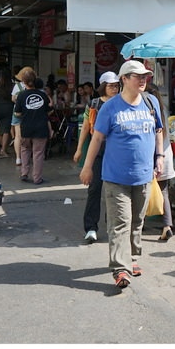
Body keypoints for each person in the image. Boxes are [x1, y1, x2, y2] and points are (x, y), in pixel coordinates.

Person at [80, 60, 163, 289]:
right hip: (115, 176)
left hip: (144, 175)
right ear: (124, 79)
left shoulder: (150, 101)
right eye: (138, 76)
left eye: (145, 76)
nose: (143, 79)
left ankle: (133, 257)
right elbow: (96, 138)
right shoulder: (110, 107)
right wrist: (87, 167)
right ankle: (120, 268)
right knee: (120, 222)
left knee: (137, 220)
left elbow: (158, 130)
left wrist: (160, 157)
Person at [74, 71, 121, 243]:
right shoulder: (93, 105)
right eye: (110, 86)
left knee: (116, 190)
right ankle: (91, 228)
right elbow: (86, 128)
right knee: (94, 189)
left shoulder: (122, 103)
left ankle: (114, 226)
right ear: (103, 87)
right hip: (98, 153)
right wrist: (79, 150)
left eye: (116, 85)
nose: (114, 89)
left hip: (117, 153)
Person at [146, 82, 175, 241]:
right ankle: (167, 226)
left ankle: (140, 223)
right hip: (165, 156)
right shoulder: (164, 110)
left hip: (152, 157)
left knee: (141, 191)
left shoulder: (147, 111)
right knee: (163, 192)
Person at [13, 68, 51, 185]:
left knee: (25, 150)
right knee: (38, 153)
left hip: (26, 127)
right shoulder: (42, 95)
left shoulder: (21, 96)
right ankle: (37, 178)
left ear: (23, 82)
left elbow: (17, 113)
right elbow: (48, 110)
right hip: (40, 127)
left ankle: (24, 173)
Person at [11, 66, 34, 166]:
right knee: (31, 134)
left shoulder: (17, 86)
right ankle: (29, 155)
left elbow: (13, 99)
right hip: (31, 112)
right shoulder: (34, 86)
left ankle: (18, 158)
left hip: (18, 112)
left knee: (18, 136)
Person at [0, 69, 14, 158]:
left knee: (0, 128)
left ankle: (3, 148)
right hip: (8, 108)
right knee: (6, 130)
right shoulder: (12, 86)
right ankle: (3, 150)